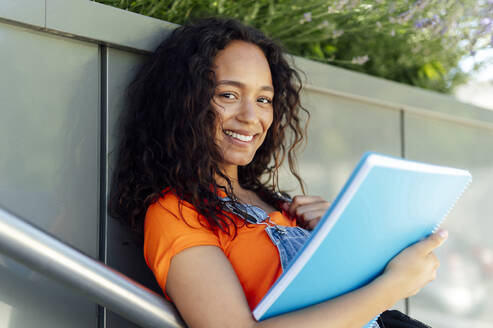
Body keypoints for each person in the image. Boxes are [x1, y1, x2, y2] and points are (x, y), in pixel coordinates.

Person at [109, 17, 447, 328]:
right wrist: (393, 286)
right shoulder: (174, 213)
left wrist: (337, 237)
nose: (250, 116)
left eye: (263, 99)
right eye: (229, 95)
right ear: (184, 102)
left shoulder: (275, 202)